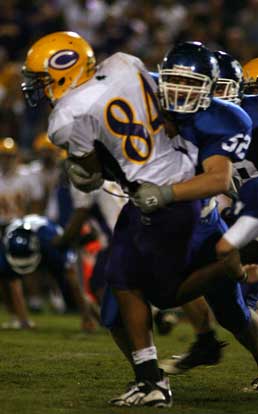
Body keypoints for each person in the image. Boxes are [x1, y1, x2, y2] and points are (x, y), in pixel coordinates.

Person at [21, 33, 248, 407]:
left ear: (61, 71)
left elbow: (91, 173)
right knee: (120, 287)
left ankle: (225, 271)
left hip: (163, 198)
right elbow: (161, 111)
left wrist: (83, 169)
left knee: (150, 291)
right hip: (171, 181)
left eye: (42, 79)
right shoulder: (123, 62)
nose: (39, 89)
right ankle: (151, 379)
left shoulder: (65, 116)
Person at [159, 50, 258, 391]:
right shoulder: (199, 120)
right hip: (232, 212)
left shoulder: (243, 118)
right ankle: (204, 339)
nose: (217, 98)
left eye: (223, 89)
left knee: (242, 298)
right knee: (199, 275)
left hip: (249, 215)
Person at [0, 214, 98, 332]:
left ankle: (97, 317)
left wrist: (86, 317)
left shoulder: (50, 244)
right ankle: (18, 318)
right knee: (6, 277)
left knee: (69, 281)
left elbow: (73, 281)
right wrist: (24, 322)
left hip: (46, 241)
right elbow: (13, 282)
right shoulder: (8, 246)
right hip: (29, 240)